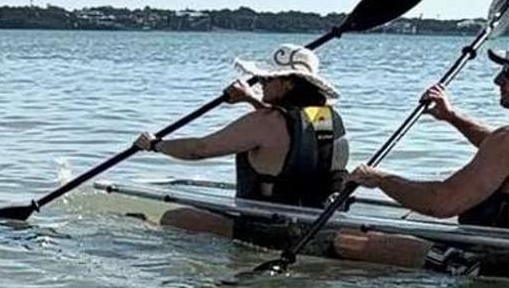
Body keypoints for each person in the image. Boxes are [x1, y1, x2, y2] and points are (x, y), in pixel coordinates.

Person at [339, 34, 509, 280]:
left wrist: (378, 179)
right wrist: (452, 116)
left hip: (489, 266)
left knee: (348, 240)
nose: (498, 80)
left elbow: (441, 203)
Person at [133, 45, 349, 246]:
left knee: (174, 217)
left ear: (288, 84)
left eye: (268, 78)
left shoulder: (266, 121)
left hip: (269, 231)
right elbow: (289, 132)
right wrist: (251, 99)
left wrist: (155, 144)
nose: (261, 81)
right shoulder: (326, 118)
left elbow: (199, 150)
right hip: (316, 226)